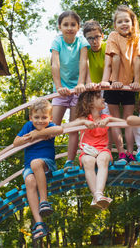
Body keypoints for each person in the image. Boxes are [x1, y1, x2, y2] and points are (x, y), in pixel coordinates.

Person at [64, 91, 125, 209]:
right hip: (88, 152)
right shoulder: (84, 118)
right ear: (90, 103)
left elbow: (125, 123)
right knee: (88, 161)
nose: (103, 99)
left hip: (103, 150)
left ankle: (98, 195)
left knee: (103, 159)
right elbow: (64, 127)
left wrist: (109, 121)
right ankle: (97, 196)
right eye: (99, 97)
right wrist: (83, 122)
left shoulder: (106, 118)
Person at [13, 99, 63, 240]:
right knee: (29, 180)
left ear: (50, 118)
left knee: (36, 163)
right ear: (31, 117)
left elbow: (59, 129)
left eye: (44, 117)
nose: (40, 121)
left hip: (46, 163)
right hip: (29, 166)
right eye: (36, 117)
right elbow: (15, 142)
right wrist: (30, 136)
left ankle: (44, 201)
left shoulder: (50, 126)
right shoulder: (28, 126)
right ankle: (39, 224)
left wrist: (39, 134)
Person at [105, 5, 140, 163]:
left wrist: (136, 81)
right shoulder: (113, 36)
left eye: (126, 21)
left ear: (132, 22)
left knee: (128, 119)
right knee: (115, 119)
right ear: (115, 25)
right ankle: (121, 152)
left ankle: (130, 153)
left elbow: (137, 60)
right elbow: (114, 58)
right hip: (113, 84)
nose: (123, 24)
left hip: (129, 85)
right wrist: (114, 80)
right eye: (120, 21)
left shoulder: (137, 37)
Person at [50, 10, 90, 171]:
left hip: (77, 89)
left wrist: (81, 83)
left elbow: (83, 62)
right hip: (61, 89)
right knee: (53, 126)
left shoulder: (81, 41)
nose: (69, 28)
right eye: (65, 24)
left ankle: (69, 161)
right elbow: (55, 64)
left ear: (78, 27)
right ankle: (48, 160)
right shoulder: (57, 41)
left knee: (74, 126)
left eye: (73, 24)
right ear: (60, 27)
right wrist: (58, 86)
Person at [82, 19, 126, 155]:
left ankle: (116, 152)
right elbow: (84, 69)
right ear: (85, 39)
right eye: (90, 38)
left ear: (102, 35)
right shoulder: (84, 50)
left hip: (107, 88)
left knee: (109, 120)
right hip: (91, 91)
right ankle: (89, 151)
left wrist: (104, 82)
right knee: (89, 120)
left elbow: (114, 66)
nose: (94, 41)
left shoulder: (109, 47)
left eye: (97, 37)